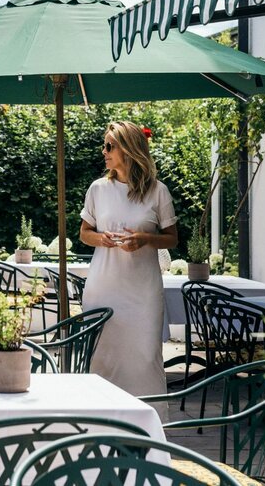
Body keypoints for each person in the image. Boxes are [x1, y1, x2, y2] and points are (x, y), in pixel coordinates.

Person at [78, 121, 178, 400]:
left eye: (110, 146)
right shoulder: (98, 188)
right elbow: (85, 234)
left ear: (129, 149)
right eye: (104, 145)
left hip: (143, 293)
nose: (104, 152)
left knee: (145, 359)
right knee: (101, 357)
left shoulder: (158, 191)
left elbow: (172, 239)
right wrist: (102, 239)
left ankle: (148, 430)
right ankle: (99, 426)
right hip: (104, 288)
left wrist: (145, 239)